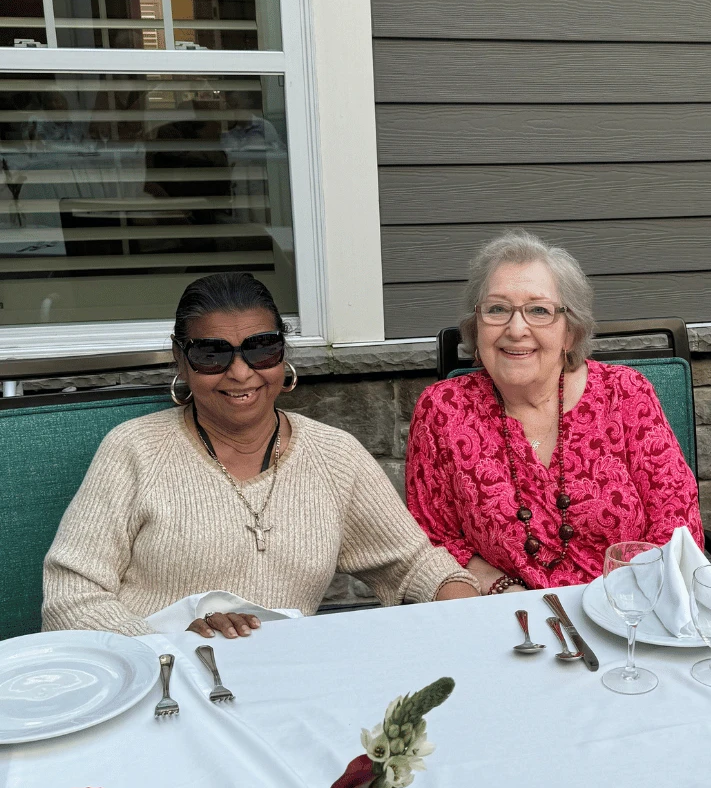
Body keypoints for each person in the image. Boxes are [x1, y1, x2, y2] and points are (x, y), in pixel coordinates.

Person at [43, 272, 478, 638]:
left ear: (282, 354)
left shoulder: (335, 456)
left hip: (280, 684)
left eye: (260, 348)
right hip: (156, 686)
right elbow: (71, 596)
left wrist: (475, 612)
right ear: (180, 359)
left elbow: (411, 565)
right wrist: (169, 646)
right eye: (211, 354)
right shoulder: (133, 450)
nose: (239, 371)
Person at [406, 230, 703, 594]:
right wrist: (498, 589)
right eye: (497, 309)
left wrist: (626, 605)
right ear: (476, 327)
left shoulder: (625, 394)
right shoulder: (443, 410)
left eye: (539, 311)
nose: (516, 329)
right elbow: (432, 538)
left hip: (629, 613)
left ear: (570, 333)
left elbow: (678, 524)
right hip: (514, 622)